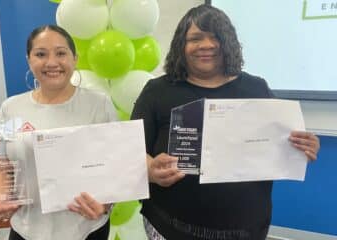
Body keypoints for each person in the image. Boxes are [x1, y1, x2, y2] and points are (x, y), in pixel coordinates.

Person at [131, 4, 320, 240]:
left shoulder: (256, 88)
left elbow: (282, 143)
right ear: (181, 45)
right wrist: (149, 169)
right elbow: (131, 151)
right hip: (170, 226)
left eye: (215, 37)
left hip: (246, 229)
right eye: (195, 38)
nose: (206, 45)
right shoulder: (157, 91)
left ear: (228, 42)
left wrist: (304, 146)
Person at [0, 25, 117, 240]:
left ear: (74, 58)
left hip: (86, 228)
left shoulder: (99, 104)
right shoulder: (10, 108)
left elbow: (116, 164)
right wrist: (0, 198)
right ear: (29, 59)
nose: (51, 62)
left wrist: (106, 203)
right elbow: (2, 164)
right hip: (26, 228)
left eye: (61, 53)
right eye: (40, 54)